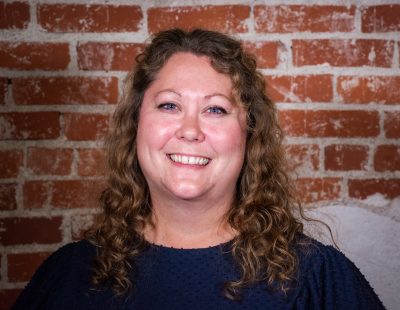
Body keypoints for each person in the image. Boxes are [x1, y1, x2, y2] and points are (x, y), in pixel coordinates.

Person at [13, 28, 384, 310]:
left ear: (249, 134)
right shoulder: (68, 274)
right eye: (169, 106)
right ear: (136, 124)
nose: (190, 130)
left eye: (216, 109)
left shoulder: (315, 277)